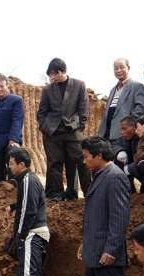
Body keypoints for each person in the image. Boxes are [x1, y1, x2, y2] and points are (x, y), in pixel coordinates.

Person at [75, 136, 130, 276]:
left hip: (106, 250)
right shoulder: (99, 174)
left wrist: (111, 249)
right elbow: (95, 217)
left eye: (87, 156)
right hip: (94, 246)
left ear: (99, 156)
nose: (84, 161)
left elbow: (119, 217)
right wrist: (85, 242)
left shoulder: (115, 177)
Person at [5, 147, 50, 276]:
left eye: (11, 163)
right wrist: (13, 206)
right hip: (34, 232)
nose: (9, 167)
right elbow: (30, 202)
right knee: (33, 275)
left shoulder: (27, 181)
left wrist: (20, 236)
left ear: (21, 164)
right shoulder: (29, 180)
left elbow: (28, 210)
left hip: (32, 233)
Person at [37, 58, 90, 200]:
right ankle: (56, 194)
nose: (51, 77)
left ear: (62, 71)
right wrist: (44, 127)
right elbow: (42, 111)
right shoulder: (48, 89)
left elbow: (83, 108)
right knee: (55, 163)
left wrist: (79, 126)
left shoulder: (79, 85)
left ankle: (87, 193)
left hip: (73, 131)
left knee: (80, 161)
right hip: (52, 132)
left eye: (53, 74)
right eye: (50, 75)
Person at [98, 58, 144, 146]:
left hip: (123, 134)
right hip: (107, 134)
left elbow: (141, 108)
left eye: (121, 67)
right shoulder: (113, 89)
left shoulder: (137, 86)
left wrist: (129, 126)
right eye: (116, 68)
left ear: (128, 68)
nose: (118, 70)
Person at [114, 116, 139, 193]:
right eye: (121, 129)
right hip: (128, 164)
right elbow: (115, 145)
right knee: (118, 161)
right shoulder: (123, 138)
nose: (122, 132)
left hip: (140, 166)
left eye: (124, 128)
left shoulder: (141, 138)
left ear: (134, 127)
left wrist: (131, 167)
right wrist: (120, 151)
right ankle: (128, 189)